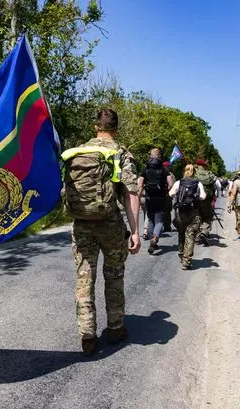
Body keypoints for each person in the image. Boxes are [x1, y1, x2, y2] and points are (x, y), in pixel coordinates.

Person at [61, 108, 141, 355]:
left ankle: (87, 334)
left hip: (81, 224)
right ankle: (115, 328)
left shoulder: (77, 151)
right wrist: (135, 231)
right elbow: (130, 193)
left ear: (95, 127)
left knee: (84, 278)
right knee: (114, 276)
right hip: (110, 224)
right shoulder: (120, 153)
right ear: (115, 129)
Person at [168, 164, 206, 270]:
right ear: (194, 172)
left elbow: (170, 193)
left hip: (181, 213)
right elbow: (203, 196)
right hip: (193, 213)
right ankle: (186, 261)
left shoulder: (179, 182)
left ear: (185, 171)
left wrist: (178, 196)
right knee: (190, 236)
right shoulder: (198, 183)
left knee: (181, 234)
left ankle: (181, 254)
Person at [137, 149, 174, 254]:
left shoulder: (145, 169)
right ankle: (155, 237)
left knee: (151, 219)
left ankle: (151, 239)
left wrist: (138, 198)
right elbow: (170, 184)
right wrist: (166, 192)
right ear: (159, 156)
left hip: (149, 198)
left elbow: (140, 185)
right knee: (159, 220)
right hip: (161, 198)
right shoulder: (164, 169)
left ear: (150, 156)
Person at [194, 159, 221, 246]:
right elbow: (218, 185)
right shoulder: (210, 174)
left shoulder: (193, 173)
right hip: (207, 199)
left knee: (196, 217)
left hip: (194, 200)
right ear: (205, 165)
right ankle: (204, 232)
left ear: (197, 165)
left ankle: (197, 237)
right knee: (207, 217)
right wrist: (217, 195)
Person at [162, 161, 176, 232]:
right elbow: (173, 186)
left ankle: (164, 226)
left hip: (160, 195)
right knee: (167, 211)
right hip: (168, 196)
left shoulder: (160, 173)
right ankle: (167, 226)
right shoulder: (171, 175)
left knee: (163, 211)